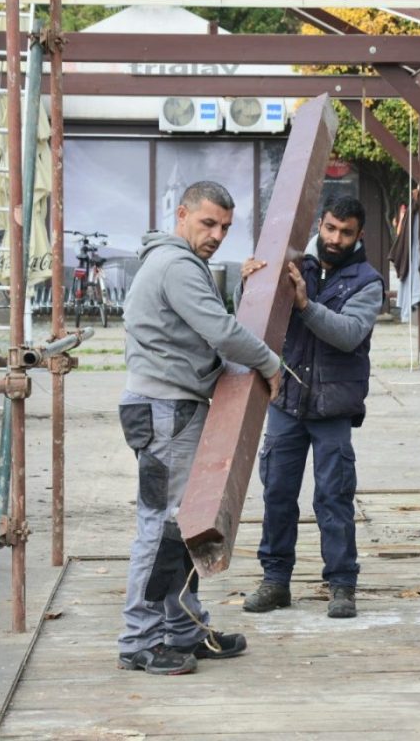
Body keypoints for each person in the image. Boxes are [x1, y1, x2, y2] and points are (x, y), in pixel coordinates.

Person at [117, 180, 283, 676]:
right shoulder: (176, 265)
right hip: (165, 408)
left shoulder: (177, 263)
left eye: (225, 228)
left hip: (166, 405)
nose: (216, 235)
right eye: (208, 223)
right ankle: (139, 641)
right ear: (183, 214)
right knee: (163, 526)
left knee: (180, 524)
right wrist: (272, 364)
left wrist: (242, 285)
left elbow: (204, 321)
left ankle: (184, 630)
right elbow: (222, 332)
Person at [238, 196, 384, 619]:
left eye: (346, 232)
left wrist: (304, 305)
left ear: (359, 235)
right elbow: (251, 317)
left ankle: (341, 585)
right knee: (278, 493)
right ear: (320, 224)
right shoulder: (292, 264)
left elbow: (349, 333)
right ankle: (275, 581)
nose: (336, 238)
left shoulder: (368, 281)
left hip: (333, 406)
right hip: (286, 398)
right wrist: (248, 286)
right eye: (331, 229)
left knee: (334, 496)